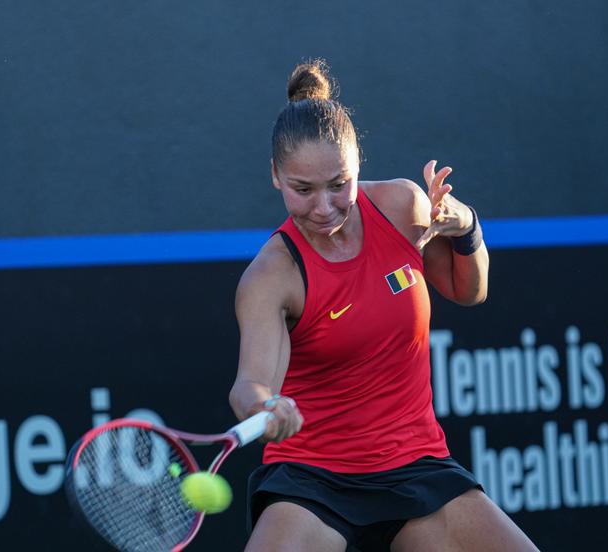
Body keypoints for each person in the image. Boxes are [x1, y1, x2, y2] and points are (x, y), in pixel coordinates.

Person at [229, 60, 538, 552]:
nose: (324, 207)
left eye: (339, 184)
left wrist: (466, 228)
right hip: (312, 484)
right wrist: (266, 407)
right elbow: (250, 385)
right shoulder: (270, 276)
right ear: (275, 176)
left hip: (417, 468)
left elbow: (469, 291)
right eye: (302, 190)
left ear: (358, 165)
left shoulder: (402, 207)